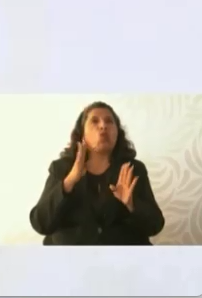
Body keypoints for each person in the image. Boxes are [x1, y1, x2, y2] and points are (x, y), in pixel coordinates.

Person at [29, 101, 165, 245]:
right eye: (94, 121)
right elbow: (41, 223)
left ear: (117, 133)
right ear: (82, 133)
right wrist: (69, 182)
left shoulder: (133, 169)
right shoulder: (61, 168)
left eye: (109, 122)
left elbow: (155, 225)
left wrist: (131, 204)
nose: (103, 126)